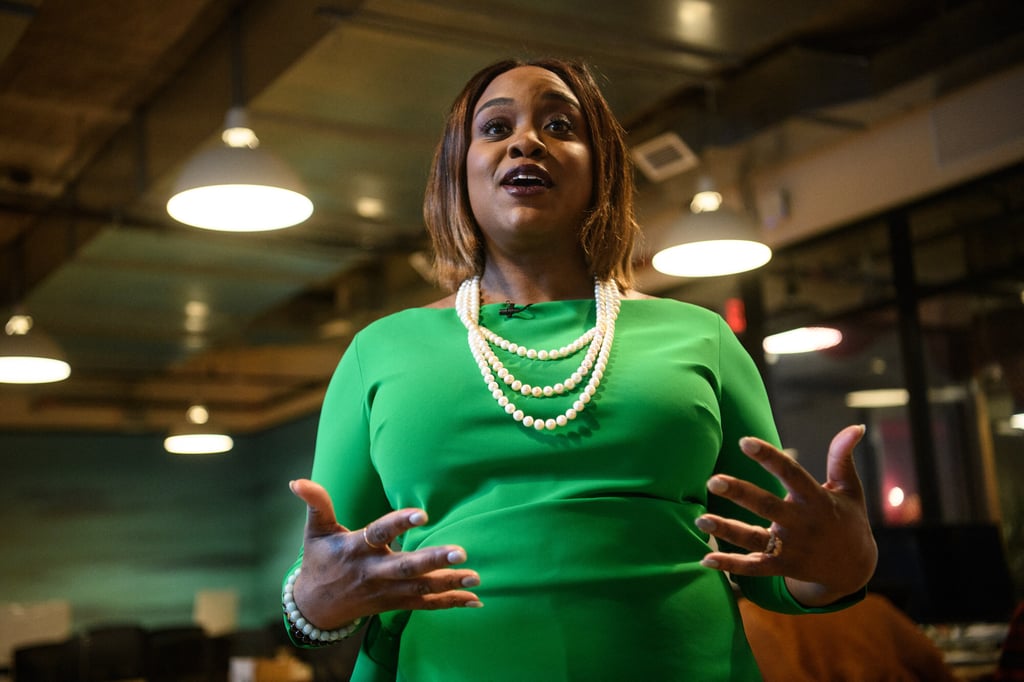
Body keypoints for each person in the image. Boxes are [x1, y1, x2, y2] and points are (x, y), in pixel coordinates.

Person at [282, 57, 878, 681]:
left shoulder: (702, 337)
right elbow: (324, 576)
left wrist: (846, 563)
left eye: (561, 124)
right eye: (495, 128)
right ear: (458, 172)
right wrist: (315, 602)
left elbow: (774, 567)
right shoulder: (380, 350)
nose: (525, 140)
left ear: (602, 171)